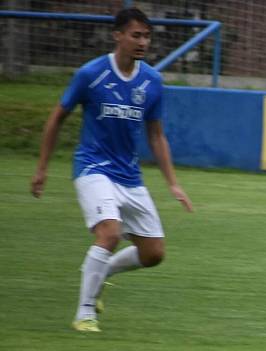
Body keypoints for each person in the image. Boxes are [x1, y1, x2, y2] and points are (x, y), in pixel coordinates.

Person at [30, 8, 193, 333]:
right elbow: (57, 117)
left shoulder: (151, 81)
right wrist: (42, 168)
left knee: (154, 253)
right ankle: (85, 313)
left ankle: (102, 273)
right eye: (136, 35)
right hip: (92, 168)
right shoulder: (91, 74)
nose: (142, 41)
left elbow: (156, 135)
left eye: (147, 36)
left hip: (129, 176)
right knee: (109, 232)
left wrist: (173, 183)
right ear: (117, 35)